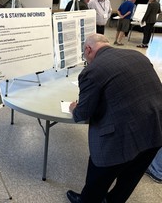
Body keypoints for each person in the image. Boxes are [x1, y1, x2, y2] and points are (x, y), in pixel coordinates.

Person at [67, 33, 162, 203]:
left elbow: (83, 114)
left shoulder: (92, 70)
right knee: (128, 181)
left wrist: (74, 108)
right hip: (155, 129)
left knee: (97, 182)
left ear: (88, 49)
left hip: (119, 139)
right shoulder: (136, 55)